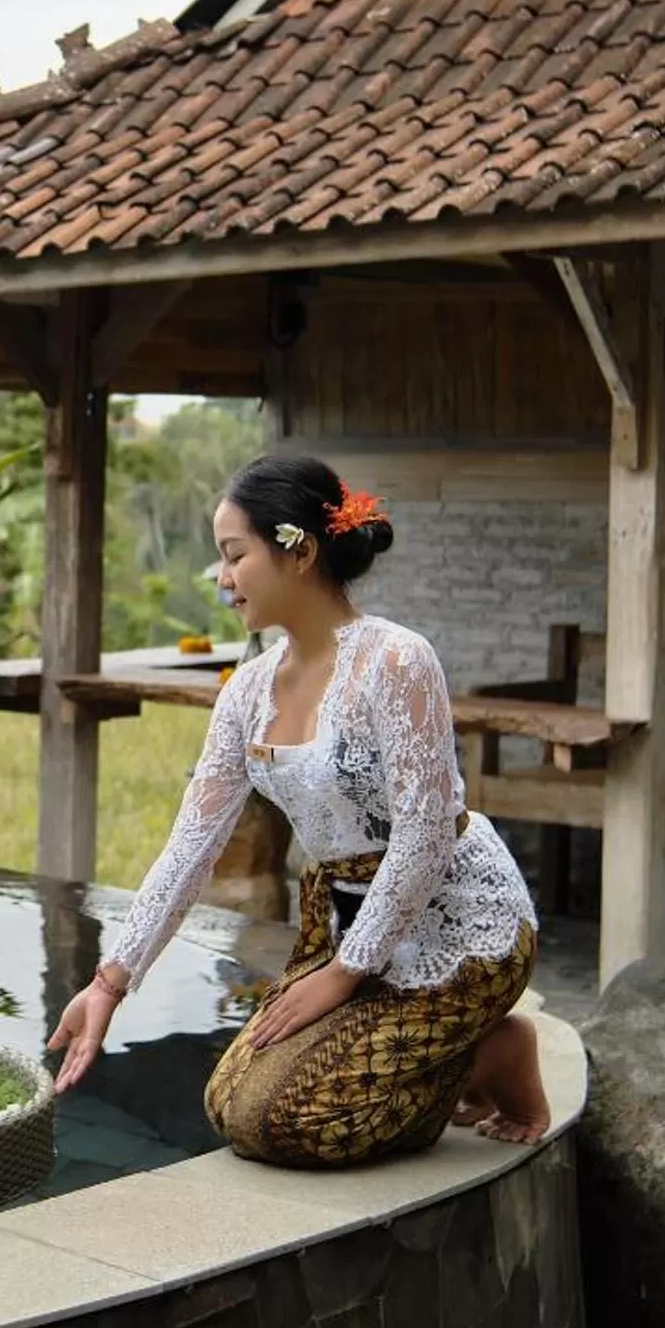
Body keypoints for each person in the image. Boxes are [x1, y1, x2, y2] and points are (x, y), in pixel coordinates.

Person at [46, 453, 550, 1165]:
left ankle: (496, 1057)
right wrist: (109, 983)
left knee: (297, 1121)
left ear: (301, 550)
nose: (222, 578)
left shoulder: (398, 661)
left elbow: (426, 836)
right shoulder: (247, 692)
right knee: (231, 1104)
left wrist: (344, 973)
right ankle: (467, 1055)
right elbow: (191, 845)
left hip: (461, 927)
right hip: (342, 921)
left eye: (234, 555)